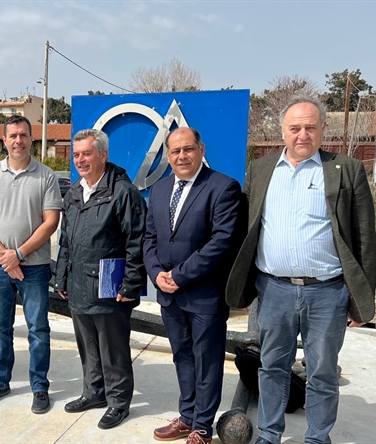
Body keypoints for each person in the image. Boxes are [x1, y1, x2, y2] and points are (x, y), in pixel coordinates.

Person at [226, 95, 376, 444]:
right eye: (295, 128)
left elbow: (365, 237)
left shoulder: (346, 169)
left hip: (327, 292)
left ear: (323, 129)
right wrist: (244, 288)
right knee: (271, 367)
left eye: (310, 127)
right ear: (283, 130)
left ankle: (317, 437)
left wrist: (360, 298)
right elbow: (245, 231)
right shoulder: (261, 169)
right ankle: (269, 435)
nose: (302, 135)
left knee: (322, 372)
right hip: (273, 290)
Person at [144, 127, 242, 444]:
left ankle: (202, 426)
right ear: (167, 155)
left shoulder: (223, 187)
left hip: (204, 295)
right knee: (182, 357)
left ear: (201, 149)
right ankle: (187, 416)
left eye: (188, 149)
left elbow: (221, 242)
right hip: (169, 295)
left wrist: (179, 275)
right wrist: (156, 273)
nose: (182, 156)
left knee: (207, 361)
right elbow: (150, 238)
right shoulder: (159, 189)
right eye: (175, 151)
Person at [54, 129, 147, 430]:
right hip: (78, 284)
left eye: (87, 153)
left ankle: (118, 402)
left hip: (110, 286)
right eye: (76, 154)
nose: (80, 159)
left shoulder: (123, 192)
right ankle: (94, 392)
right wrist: (61, 277)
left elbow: (137, 242)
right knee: (88, 346)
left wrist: (131, 283)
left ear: (103, 155)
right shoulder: (73, 192)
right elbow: (65, 241)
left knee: (113, 349)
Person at [0, 114, 61, 414]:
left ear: (31, 138)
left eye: (23, 135)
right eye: (13, 135)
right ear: (4, 140)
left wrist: (19, 253)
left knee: (38, 329)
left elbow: (51, 222)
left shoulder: (46, 175)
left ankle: (39, 386)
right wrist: (4, 255)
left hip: (34, 267)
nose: (18, 140)